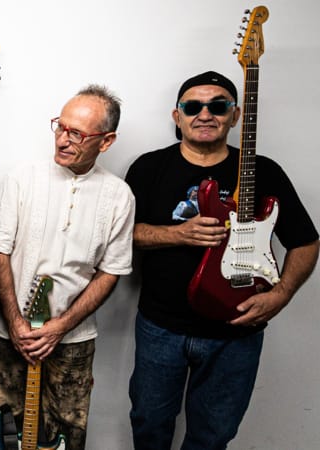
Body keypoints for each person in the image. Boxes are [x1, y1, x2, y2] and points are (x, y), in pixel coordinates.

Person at [125, 70, 319, 449]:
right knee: (149, 424)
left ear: (235, 115)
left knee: (213, 436)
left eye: (218, 106)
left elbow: (306, 242)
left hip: (237, 331)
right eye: (192, 107)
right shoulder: (149, 168)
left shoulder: (264, 171)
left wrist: (281, 295)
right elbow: (120, 236)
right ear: (177, 115)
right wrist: (178, 233)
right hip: (162, 327)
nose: (205, 114)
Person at [0, 85, 134, 450]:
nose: (63, 139)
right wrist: (15, 322)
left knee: (69, 436)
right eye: (60, 127)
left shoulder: (119, 196)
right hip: (9, 334)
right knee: (6, 434)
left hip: (73, 340)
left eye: (77, 134)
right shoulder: (22, 178)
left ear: (106, 141)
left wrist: (60, 327)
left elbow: (111, 271)